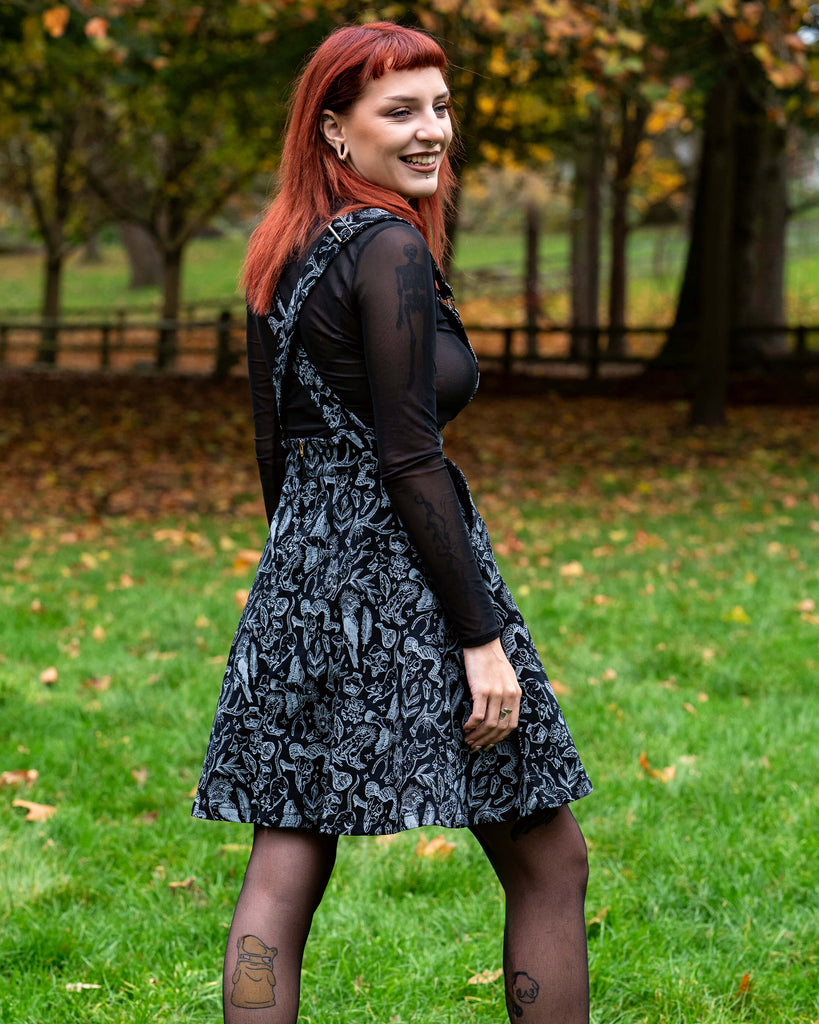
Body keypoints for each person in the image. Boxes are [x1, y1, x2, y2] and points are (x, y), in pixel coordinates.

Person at [193, 21, 592, 1024]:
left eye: (441, 107)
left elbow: (273, 444)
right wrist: (478, 639)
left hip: (301, 571)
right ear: (334, 130)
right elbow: (410, 457)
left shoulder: (282, 248)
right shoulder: (388, 248)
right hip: (411, 575)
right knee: (548, 857)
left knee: (287, 851)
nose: (431, 132)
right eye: (400, 110)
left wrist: (301, 589)